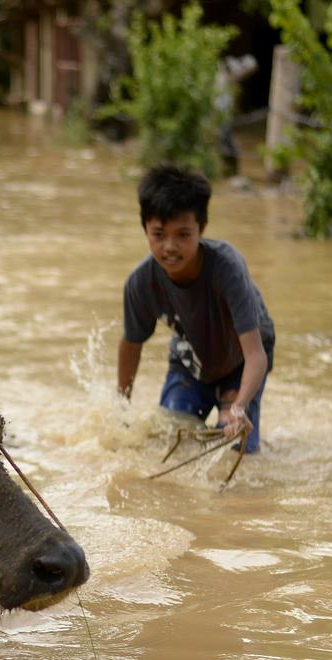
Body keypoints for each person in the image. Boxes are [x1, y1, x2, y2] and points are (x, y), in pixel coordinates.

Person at [117, 164, 275, 453]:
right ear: (145, 230)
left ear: (201, 229)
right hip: (192, 363)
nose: (170, 247)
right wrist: (121, 407)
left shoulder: (228, 269)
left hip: (241, 361)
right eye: (159, 234)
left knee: (235, 446)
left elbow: (256, 354)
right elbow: (131, 343)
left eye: (183, 235)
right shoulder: (141, 283)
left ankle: (235, 414)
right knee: (172, 440)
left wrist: (239, 407)